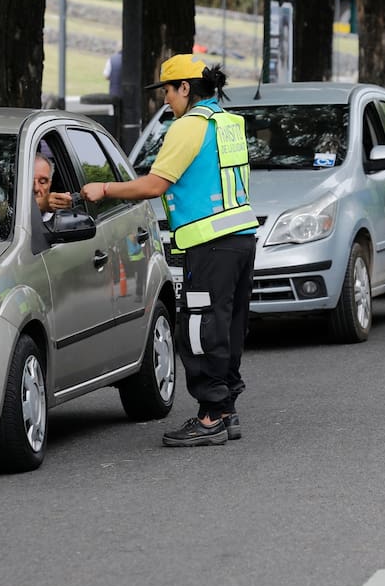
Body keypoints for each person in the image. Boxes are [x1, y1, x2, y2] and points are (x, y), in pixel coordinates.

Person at [80, 54, 256, 447]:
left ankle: (210, 416)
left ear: (186, 88)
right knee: (228, 325)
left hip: (209, 244)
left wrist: (103, 189)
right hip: (242, 238)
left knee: (199, 328)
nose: (164, 100)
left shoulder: (188, 126)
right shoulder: (228, 122)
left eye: (167, 91)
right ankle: (226, 409)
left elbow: (154, 186)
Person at [33, 153, 73, 221]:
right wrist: (39, 205)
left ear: (50, 184)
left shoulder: (60, 219)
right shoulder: (10, 213)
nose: (36, 188)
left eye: (42, 181)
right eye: (29, 181)